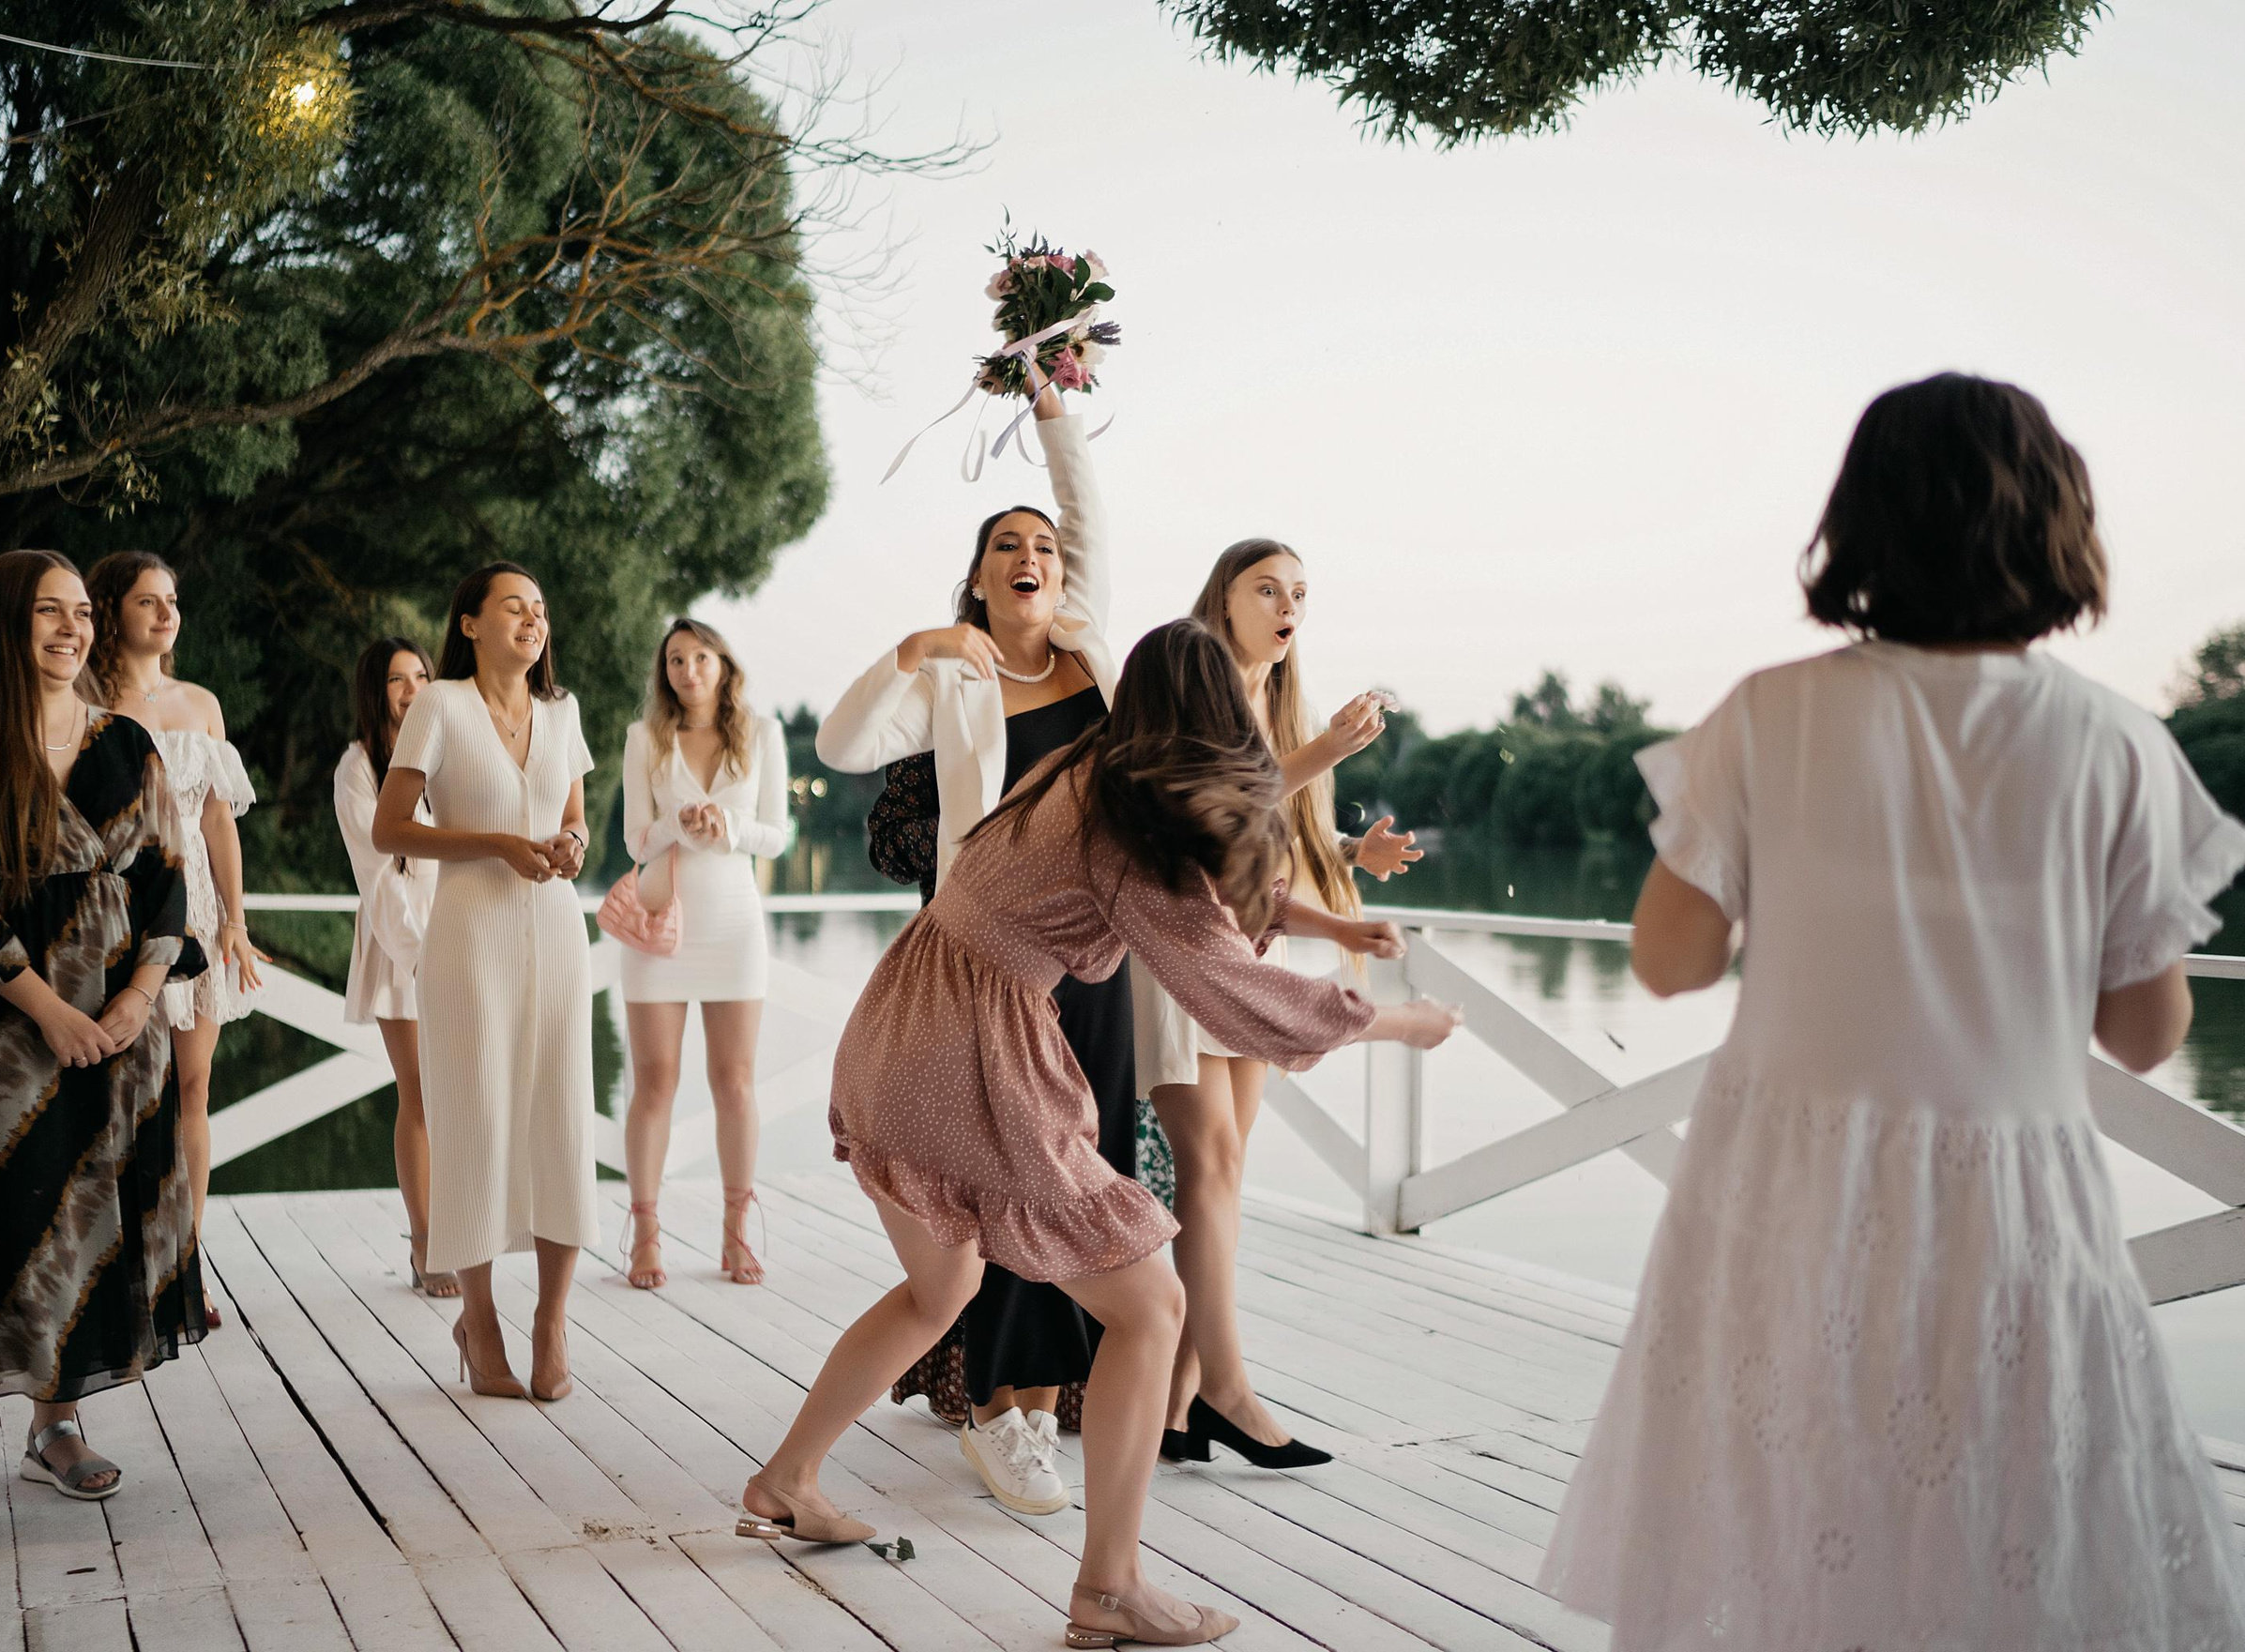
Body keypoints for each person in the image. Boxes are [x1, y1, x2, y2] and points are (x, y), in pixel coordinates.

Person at [1539, 373, 2245, 1648]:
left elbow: (1668, 962)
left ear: (1860, 526)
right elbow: (2142, 1034)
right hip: (2015, 1199)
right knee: (2013, 1524)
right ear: (2056, 529)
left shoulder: (1770, 712)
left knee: (1786, 1509)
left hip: (1789, 1184)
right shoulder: (2121, 744)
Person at [739, 619, 1463, 1648]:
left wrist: (1334, 926)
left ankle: (785, 1479)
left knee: (940, 1289)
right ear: (1212, 720)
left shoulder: (1090, 768)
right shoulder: (1130, 827)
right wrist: (1390, 1020)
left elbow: (1209, 889)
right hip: (966, 1046)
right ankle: (1109, 1587)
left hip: (897, 1019)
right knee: (1152, 1304)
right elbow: (1228, 990)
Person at [816, 377, 1133, 1514]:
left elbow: (1084, 508)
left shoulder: (1097, 660)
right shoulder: (953, 678)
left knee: (1087, 1176)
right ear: (980, 577)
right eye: (1006, 544)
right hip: (989, 968)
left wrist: (1053, 406)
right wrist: (911, 650)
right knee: (1008, 1180)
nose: (1031, 554)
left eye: (1042, 544)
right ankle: (1004, 1408)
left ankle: (1055, 1404)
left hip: (1098, 954)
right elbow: (844, 743)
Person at [0, 549, 207, 1546]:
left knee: (87, 1222)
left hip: (122, 1024)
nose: (73, 629)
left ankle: (55, 1424)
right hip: (1, 1035)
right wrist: (50, 1011)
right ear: (3, 620)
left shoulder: (127, 742)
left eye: (81, 612)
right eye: (49, 613)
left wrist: (136, 1000)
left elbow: (166, 875)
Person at [1142, 538, 1420, 1469]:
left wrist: (1348, 855)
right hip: (1178, 949)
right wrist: (1322, 752)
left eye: (1299, 591)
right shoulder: (1189, 678)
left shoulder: (1283, 704)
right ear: (1223, 596)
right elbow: (1204, 816)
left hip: (1253, 947)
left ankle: (1179, 1407)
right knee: (1208, 1167)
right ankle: (1224, 1390)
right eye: (1266, 587)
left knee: (1221, 1183)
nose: (1286, 603)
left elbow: (1267, 837)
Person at [372, 561, 596, 1402]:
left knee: (563, 1119)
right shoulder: (440, 706)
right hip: (469, 934)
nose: (533, 619)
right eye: (513, 606)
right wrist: (498, 843)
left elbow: (573, 819)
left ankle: (552, 1318)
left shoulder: (562, 712)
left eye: (540, 607)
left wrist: (569, 844)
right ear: (469, 623)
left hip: (555, 931)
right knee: (474, 1119)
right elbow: (390, 824)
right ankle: (481, 1316)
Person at [83, 550, 267, 1329]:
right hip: (116, 901)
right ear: (113, 611)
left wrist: (236, 918)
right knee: (117, 1094)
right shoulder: (81, 699)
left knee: (193, 1086)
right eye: (147, 600)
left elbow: (219, 815)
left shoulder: (201, 702)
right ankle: (111, 1264)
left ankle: (183, 1264)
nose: (166, 613)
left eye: (173, 600)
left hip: (194, 903)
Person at [616, 616, 792, 1290]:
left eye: (700, 657)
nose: (688, 670)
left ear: (723, 664)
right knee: (655, 1082)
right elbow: (636, 840)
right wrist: (677, 824)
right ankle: (646, 1236)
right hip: (660, 924)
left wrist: (731, 824)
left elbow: (775, 835)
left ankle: (737, 1233)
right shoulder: (645, 738)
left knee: (735, 1082)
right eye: (676, 660)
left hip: (733, 924)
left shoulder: (763, 733)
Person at [333, 636, 452, 1297]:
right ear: (374, 692)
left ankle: (469, 1233)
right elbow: (377, 877)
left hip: (461, 936)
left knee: (461, 1098)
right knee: (421, 1094)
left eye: (421, 675)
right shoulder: (359, 767)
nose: (412, 689)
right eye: (397, 680)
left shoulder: (446, 755)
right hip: (401, 943)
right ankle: (426, 1241)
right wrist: (421, 955)